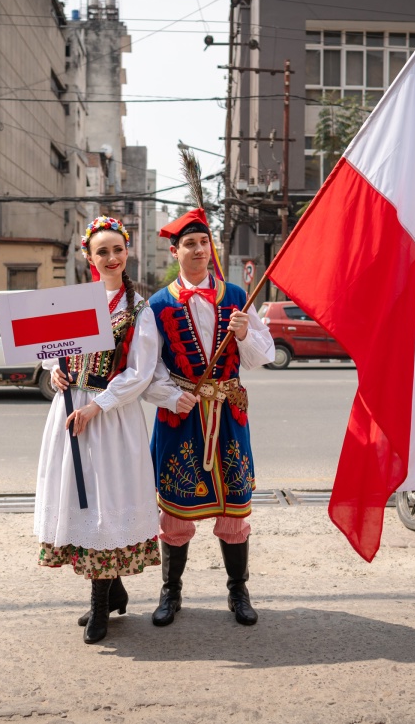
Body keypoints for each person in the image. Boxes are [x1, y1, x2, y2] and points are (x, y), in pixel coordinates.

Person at [34, 217, 184, 645]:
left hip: (111, 417)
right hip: (71, 412)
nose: (112, 257)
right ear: (89, 257)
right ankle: (112, 589)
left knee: (104, 502)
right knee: (81, 504)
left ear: (127, 251)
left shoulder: (139, 308)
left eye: (118, 249)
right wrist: (56, 374)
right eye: (103, 251)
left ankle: (102, 605)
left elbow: (139, 373)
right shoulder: (72, 302)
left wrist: (97, 405)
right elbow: (52, 352)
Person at [143, 207, 274, 627]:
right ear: (174, 251)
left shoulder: (238, 297)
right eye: (190, 244)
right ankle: (171, 592)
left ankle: (238, 591)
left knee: (235, 506)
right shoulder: (157, 304)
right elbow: (146, 369)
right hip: (180, 418)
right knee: (175, 511)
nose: (199, 250)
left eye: (204, 243)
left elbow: (262, 355)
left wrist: (244, 333)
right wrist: (168, 396)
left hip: (229, 417)